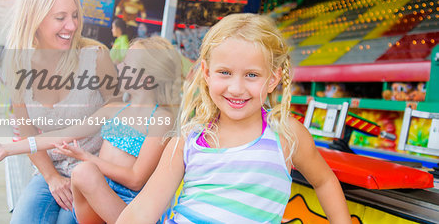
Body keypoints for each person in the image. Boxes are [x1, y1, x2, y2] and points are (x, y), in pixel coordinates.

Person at [116, 13, 352, 224]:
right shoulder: (188, 139)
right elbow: (143, 209)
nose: (237, 88)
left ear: (272, 79)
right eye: (225, 73)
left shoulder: (286, 133)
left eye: (251, 75)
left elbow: (324, 181)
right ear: (207, 73)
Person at [0, 36, 182, 224]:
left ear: (146, 79)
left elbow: (136, 179)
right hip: (96, 192)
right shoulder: (114, 110)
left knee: (85, 170)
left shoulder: (161, 119)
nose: (119, 68)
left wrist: (88, 158)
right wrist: (6, 149)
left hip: (127, 203)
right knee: (83, 172)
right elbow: (61, 135)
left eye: (127, 66)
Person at [2, 0, 117, 224]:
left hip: (94, 168)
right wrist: (52, 177)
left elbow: (118, 110)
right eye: (60, 17)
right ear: (35, 20)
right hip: (49, 169)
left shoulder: (95, 55)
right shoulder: (17, 64)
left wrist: (102, 169)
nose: (72, 25)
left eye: (75, 16)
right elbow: (27, 133)